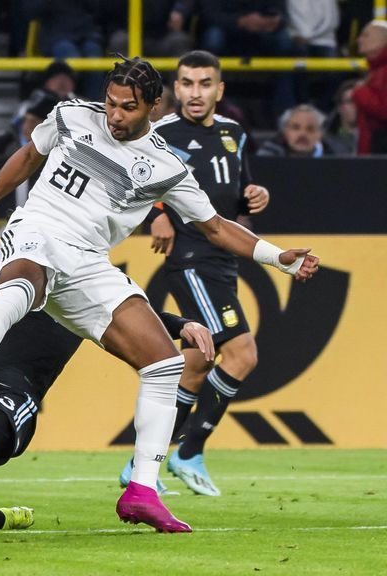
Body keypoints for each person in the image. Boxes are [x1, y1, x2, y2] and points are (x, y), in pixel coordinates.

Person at [0, 55, 318, 533]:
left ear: (154, 106)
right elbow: (29, 155)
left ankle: (141, 491)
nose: (114, 115)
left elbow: (215, 227)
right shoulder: (72, 115)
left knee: (165, 363)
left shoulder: (166, 166)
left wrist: (279, 257)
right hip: (38, 231)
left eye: (128, 107)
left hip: (88, 261)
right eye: (110, 103)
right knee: (19, 290)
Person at [0, 219, 215, 532]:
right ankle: (1, 517)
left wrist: (183, 325)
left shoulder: (85, 301)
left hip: (14, 397)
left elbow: (142, 319)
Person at [120, 51, 272, 497]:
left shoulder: (234, 133)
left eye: (205, 84)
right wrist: (158, 213)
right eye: (186, 83)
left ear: (219, 90)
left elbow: (236, 196)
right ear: (175, 89)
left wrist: (255, 195)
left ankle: (142, 461)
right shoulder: (160, 132)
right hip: (189, 259)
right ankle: (190, 450)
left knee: (197, 364)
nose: (195, 92)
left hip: (223, 260)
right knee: (242, 354)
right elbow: (133, 180)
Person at [352, 20, 387, 155]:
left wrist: (360, 92)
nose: (358, 40)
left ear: (383, 40)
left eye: (365, 35)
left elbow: (384, 111)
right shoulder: (376, 70)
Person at [257, 104, 333, 157]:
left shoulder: (331, 156)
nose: (303, 134)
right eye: (296, 128)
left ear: (319, 135)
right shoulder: (269, 153)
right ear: (285, 132)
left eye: (310, 129)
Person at [324, 78, 359, 156]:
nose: (356, 106)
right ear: (339, 107)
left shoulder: (375, 138)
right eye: (350, 101)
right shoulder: (328, 139)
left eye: (359, 101)